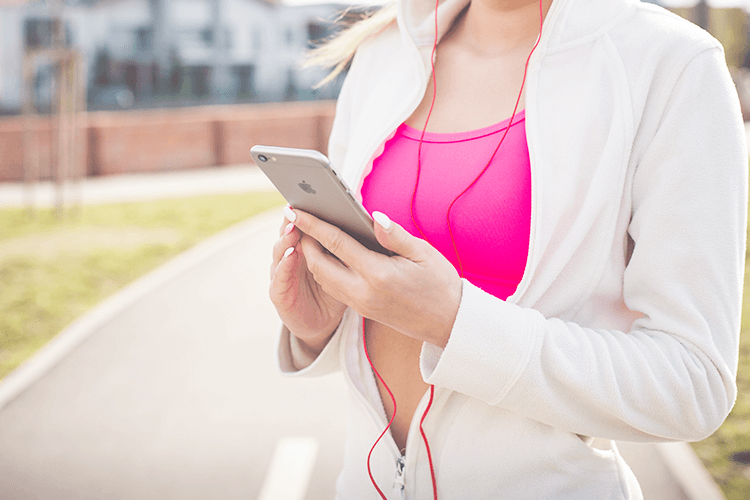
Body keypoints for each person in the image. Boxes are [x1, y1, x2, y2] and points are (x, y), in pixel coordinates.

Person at [269, 0, 748, 498]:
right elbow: (377, 301)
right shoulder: (384, 50)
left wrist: (455, 322)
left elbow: (692, 384)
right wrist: (318, 327)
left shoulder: (672, 64)